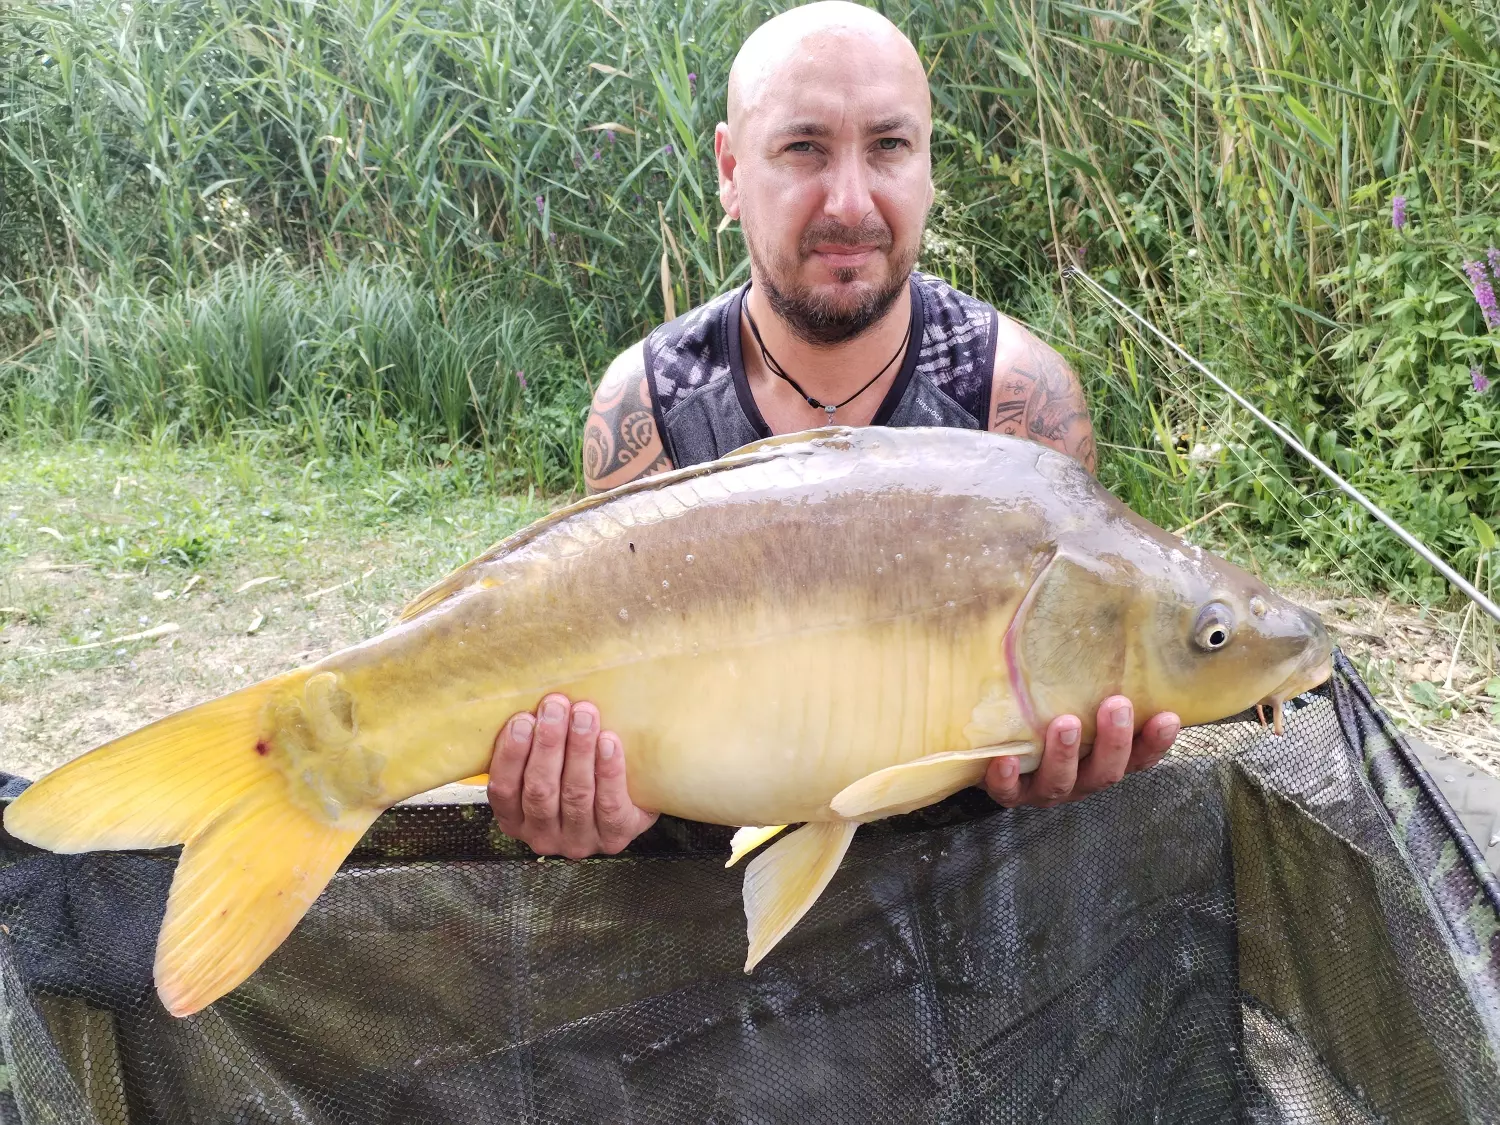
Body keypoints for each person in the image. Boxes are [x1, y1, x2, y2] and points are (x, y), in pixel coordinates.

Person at [484, 1, 1181, 859]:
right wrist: (603, 799)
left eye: (889, 145)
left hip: (965, 889)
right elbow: (619, 719)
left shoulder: (1018, 394)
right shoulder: (648, 405)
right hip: (714, 902)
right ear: (730, 170)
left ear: (928, 166)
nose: (850, 202)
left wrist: (1060, 762)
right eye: (804, 148)